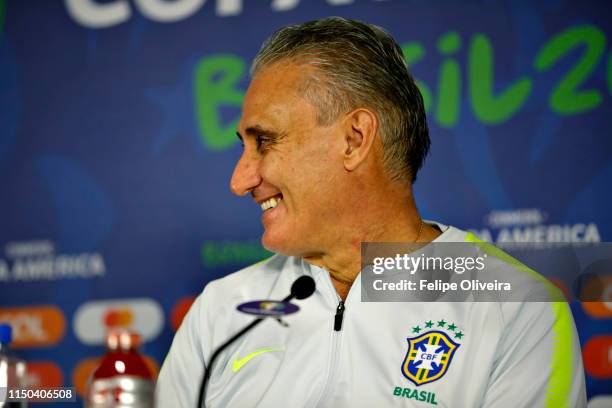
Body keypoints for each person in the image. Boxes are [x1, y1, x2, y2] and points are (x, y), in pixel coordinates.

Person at [156, 17, 586, 407]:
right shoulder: (222, 309)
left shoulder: (516, 307)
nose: (240, 180)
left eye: (264, 141)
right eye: (243, 147)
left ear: (355, 139)